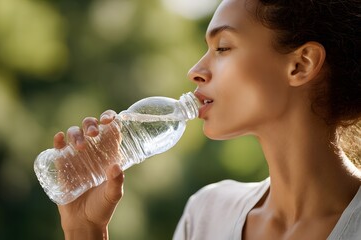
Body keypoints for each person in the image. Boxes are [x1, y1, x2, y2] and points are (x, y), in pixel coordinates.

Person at [52, 0, 361, 239]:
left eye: (223, 47)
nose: (195, 71)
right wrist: (84, 229)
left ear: (300, 65)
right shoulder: (207, 215)